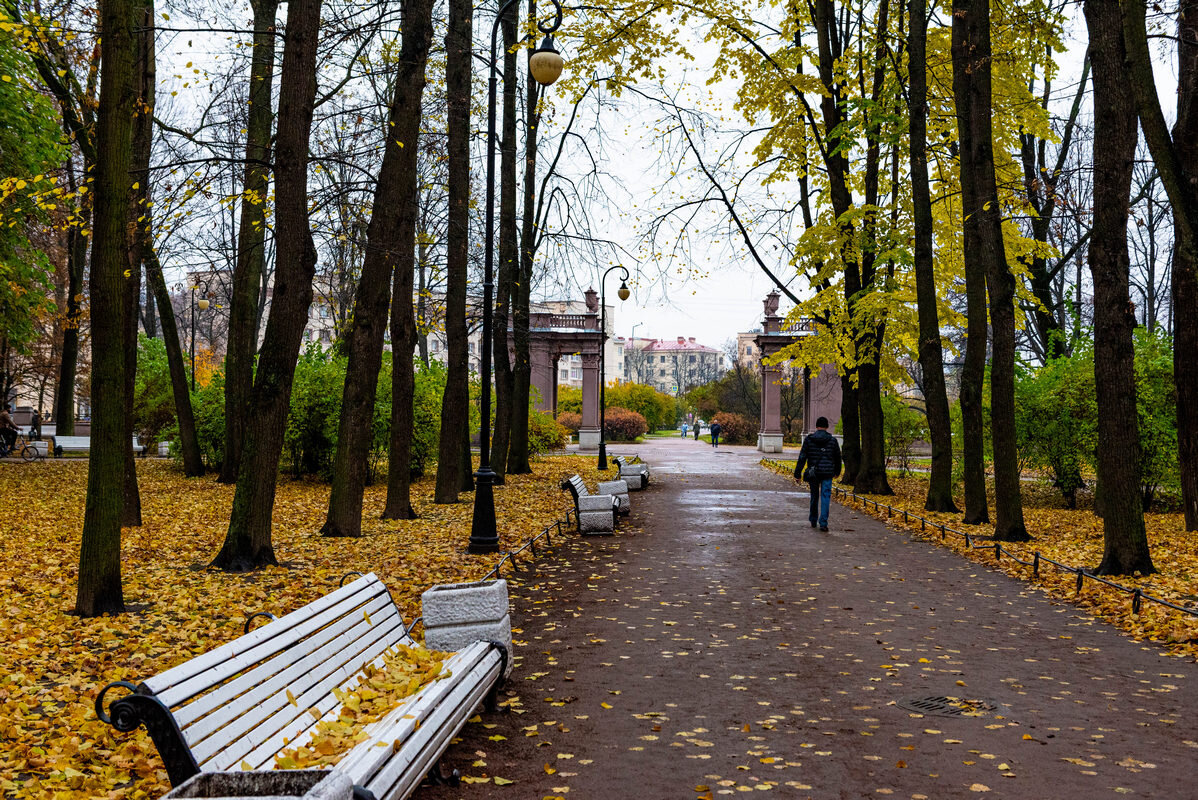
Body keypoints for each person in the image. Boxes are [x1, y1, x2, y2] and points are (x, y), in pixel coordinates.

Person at [793, 416, 842, 532]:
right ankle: (823, 523)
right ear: (827, 427)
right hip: (827, 472)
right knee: (825, 496)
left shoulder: (809, 440)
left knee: (814, 496)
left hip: (813, 473)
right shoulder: (833, 441)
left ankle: (813, 519)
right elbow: (838, 458)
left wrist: (797, 473)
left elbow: (802, 457)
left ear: (816, 426)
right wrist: (837, 472)